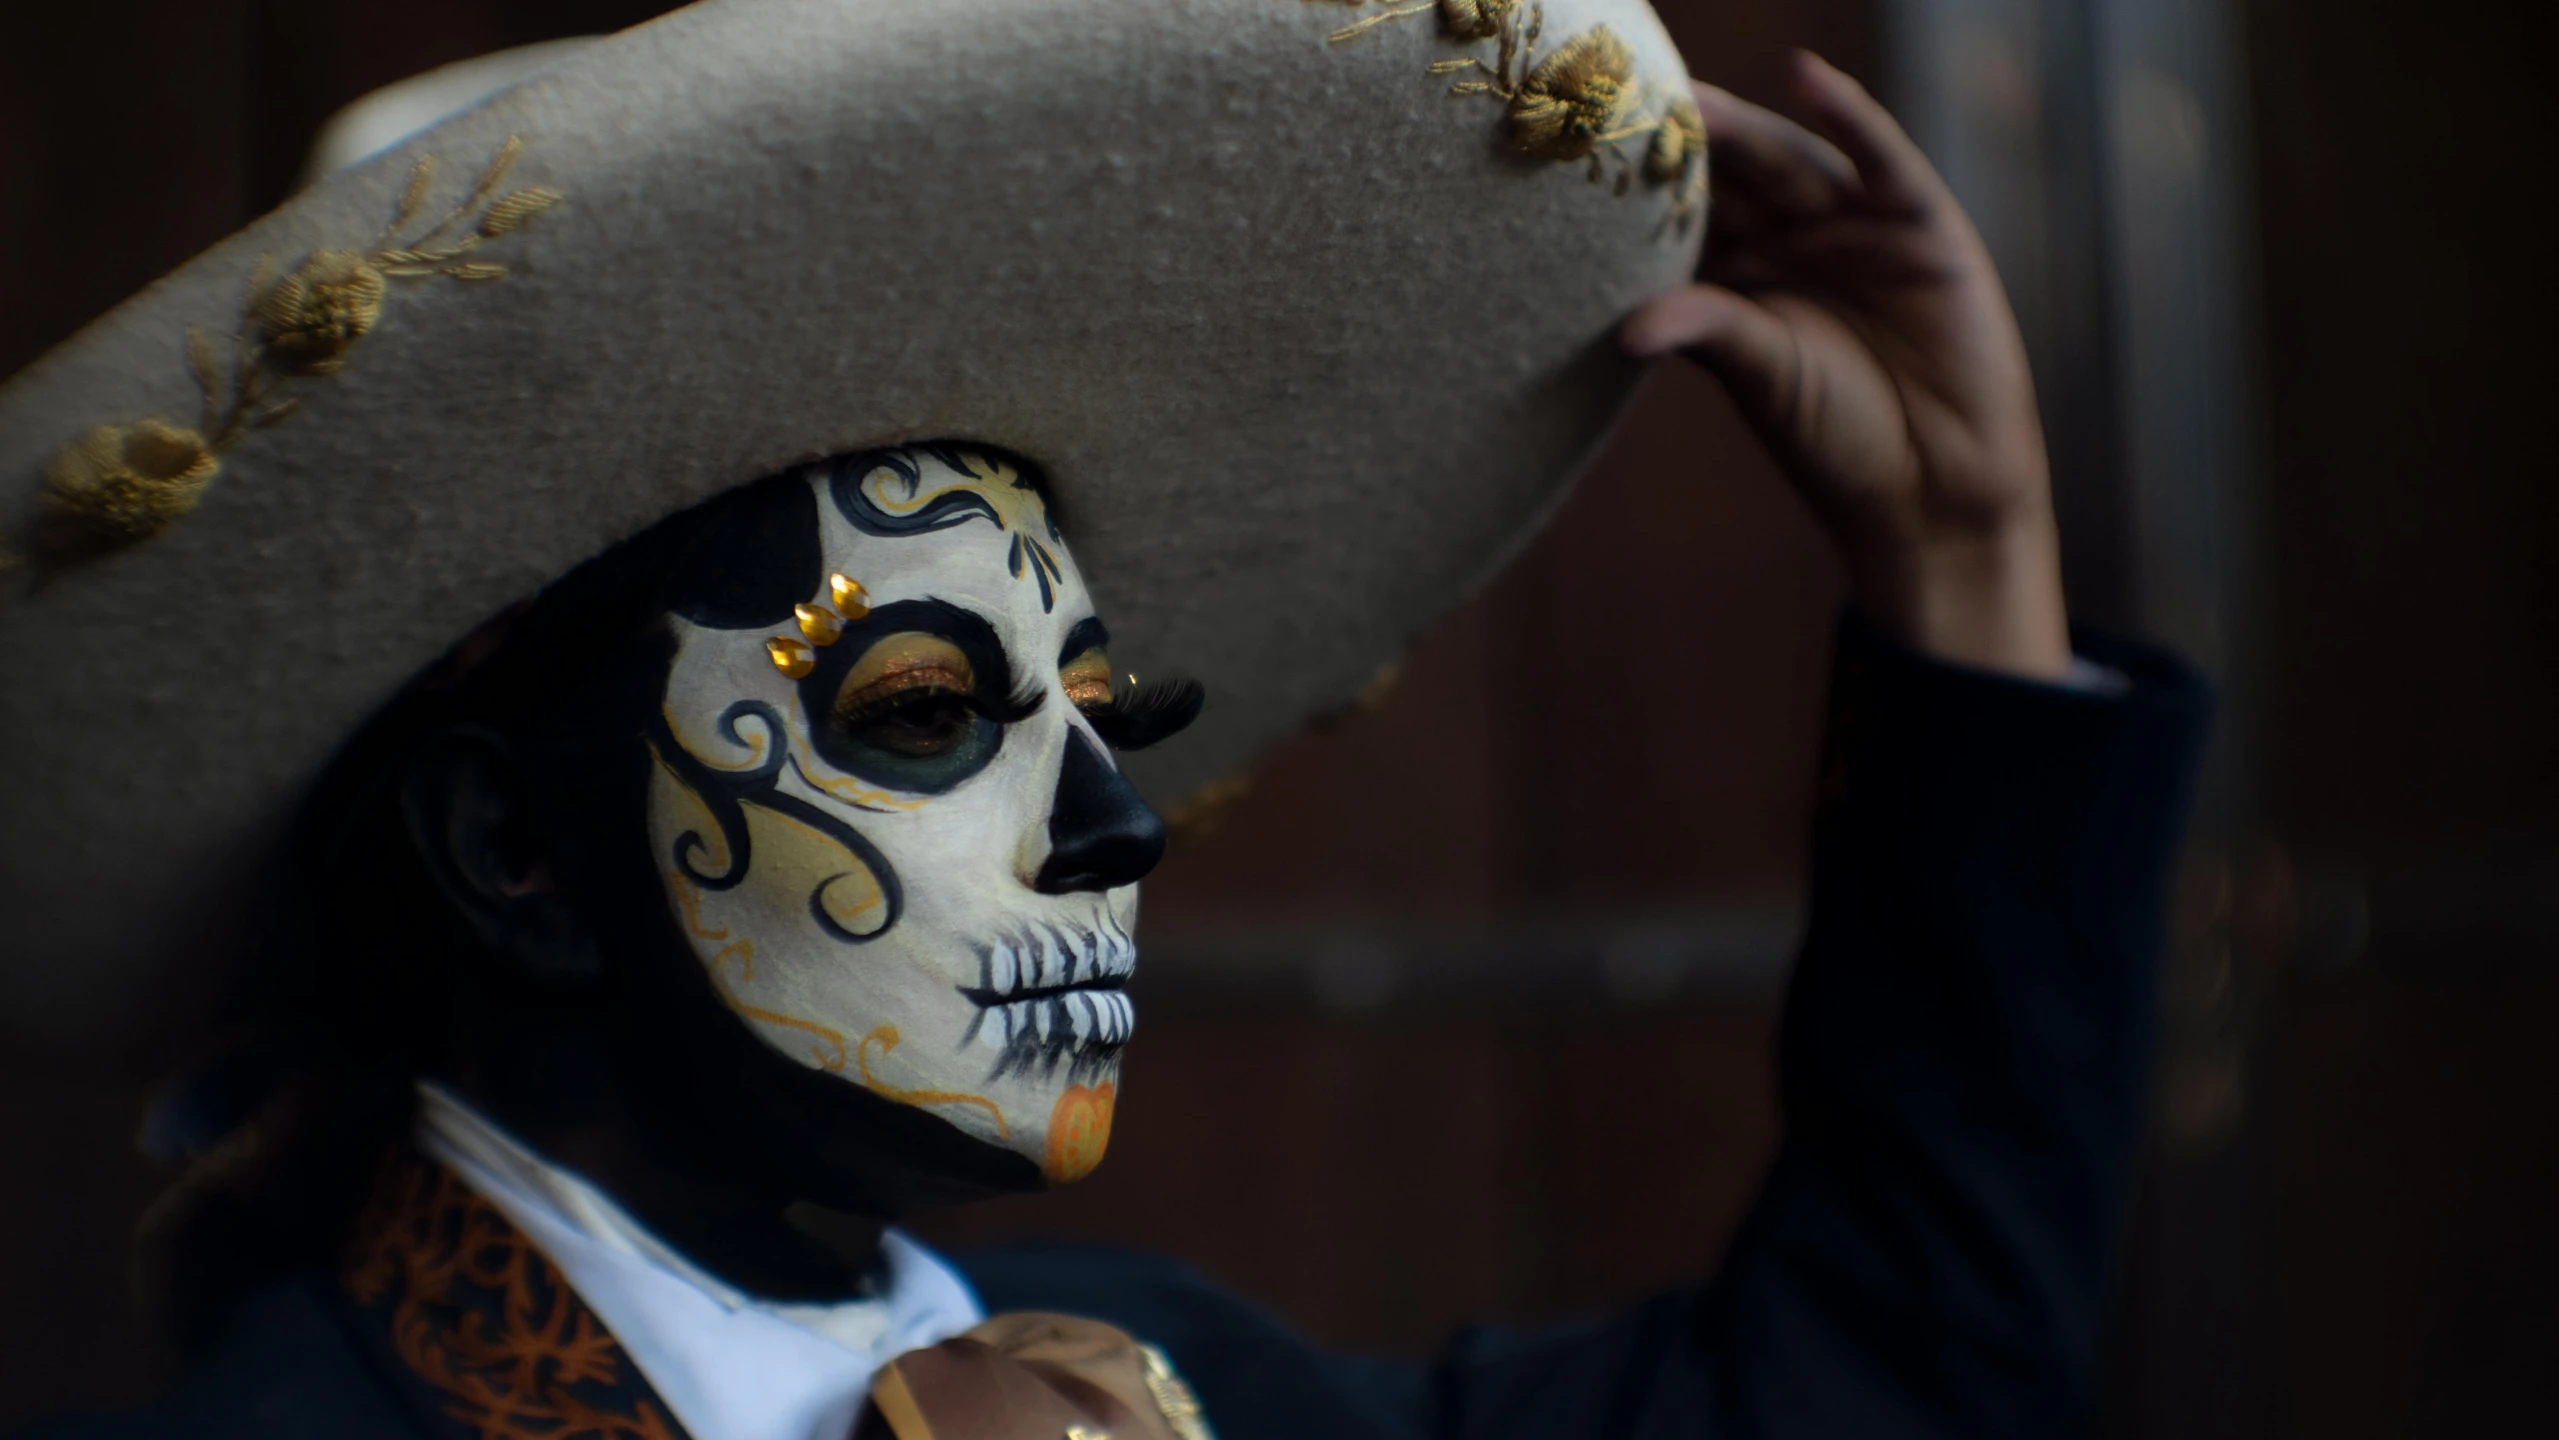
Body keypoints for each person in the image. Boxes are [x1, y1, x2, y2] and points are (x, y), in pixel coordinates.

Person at [2, 4, 2206, 1437]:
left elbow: (1877, 1389)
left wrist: (1965, 569)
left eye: (1097, 707)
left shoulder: (1156, 1388)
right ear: (518, 852)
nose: (1114, 827)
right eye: (928, 705)